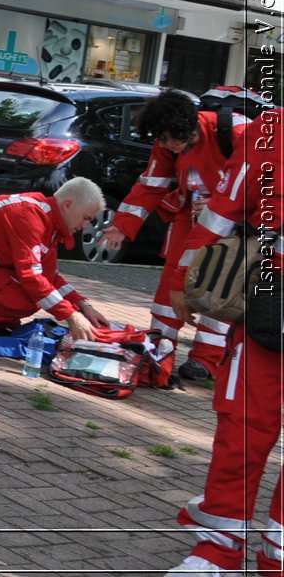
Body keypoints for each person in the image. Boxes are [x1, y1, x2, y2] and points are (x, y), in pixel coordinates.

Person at [164, 107, 281, 577]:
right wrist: (181, 280)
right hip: (270, 308)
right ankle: (219, 550)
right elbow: (219, 214)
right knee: (243, 429)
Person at [98, 89, 244, 380]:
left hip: (233, 223)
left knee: (219, 286)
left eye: (167, 139)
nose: (164, 146)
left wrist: (221, 204)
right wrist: (122, 224)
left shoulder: (239, 133)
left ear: (185, 129)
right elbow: (150, 185)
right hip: (188, 219)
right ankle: (158, 353)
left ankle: (208, 360)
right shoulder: (166, 143)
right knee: (170, 287)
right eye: (159, 139)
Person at [0, 176, 114, 342]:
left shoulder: (48, 220)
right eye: (86, 218)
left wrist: (83, 306)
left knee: (35, 292)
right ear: (67, 205)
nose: (86, 226)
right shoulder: (30, 215)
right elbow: (31, 277)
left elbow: (50, 277)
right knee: (28, 298)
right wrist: (71, 315)